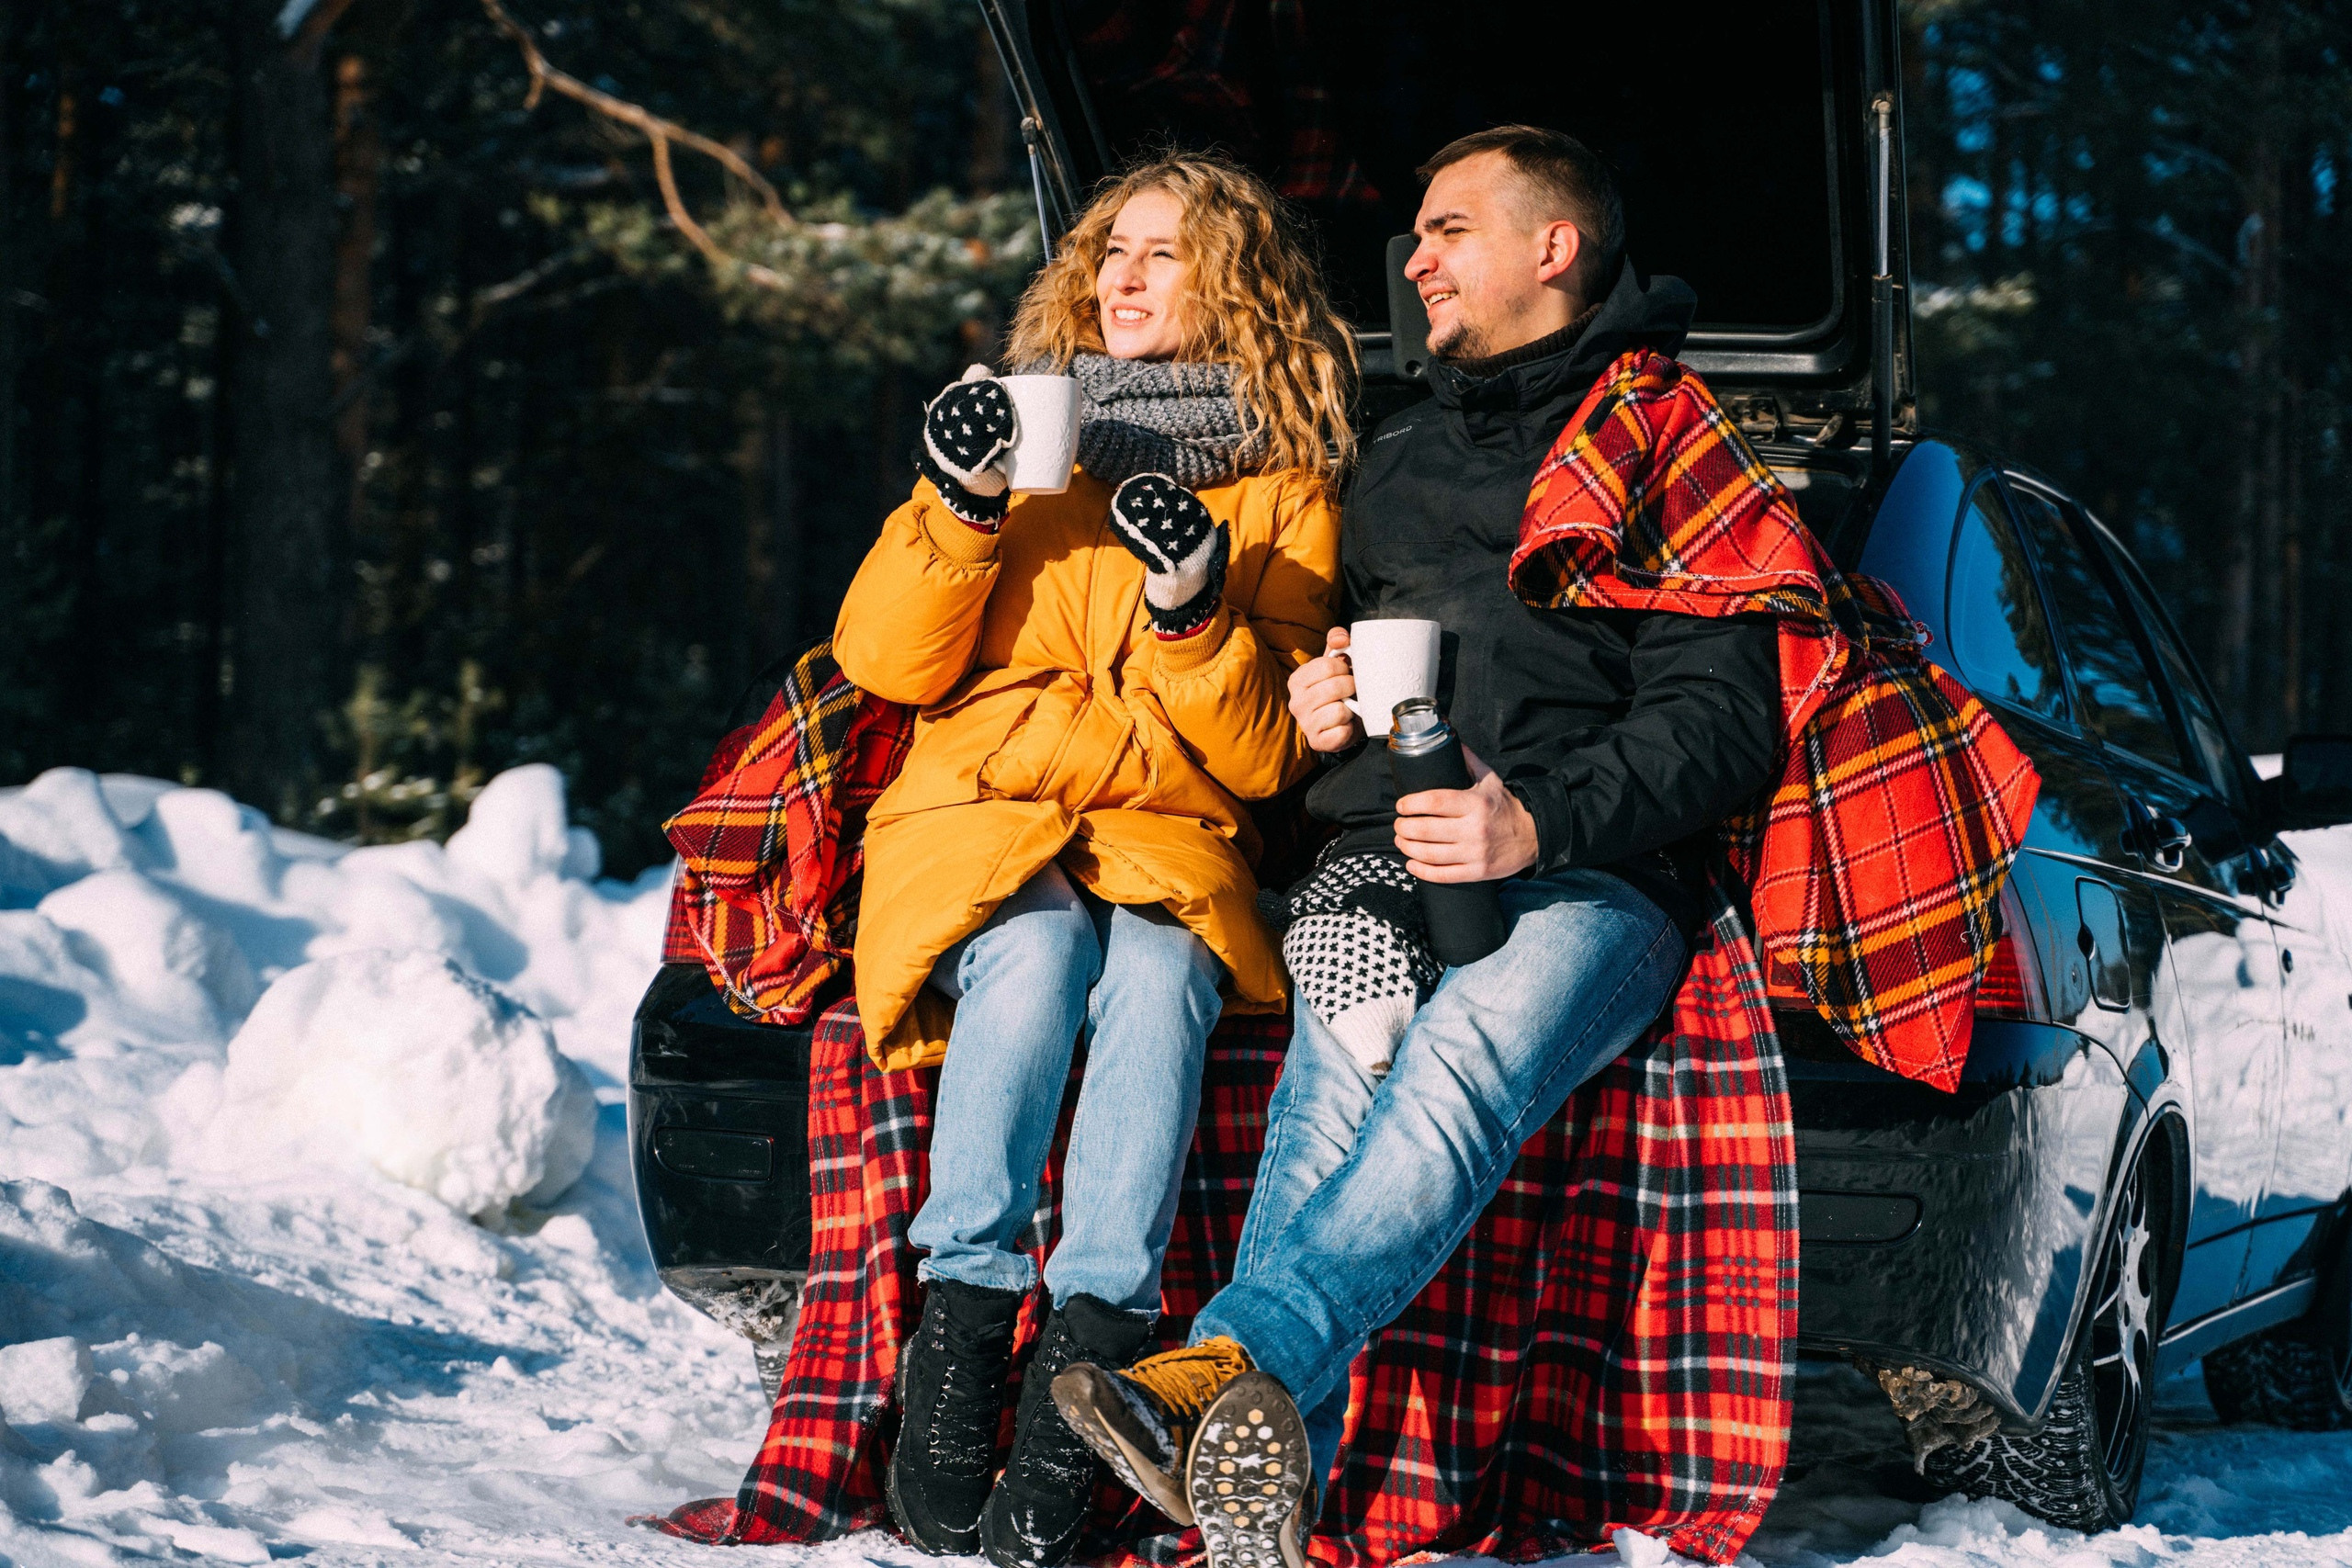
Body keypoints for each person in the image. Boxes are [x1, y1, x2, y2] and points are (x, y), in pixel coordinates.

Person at [1051, 127, 1790, 1568]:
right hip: (1382, 861)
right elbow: (1320, 654)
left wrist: (1541, 819)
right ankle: (1257, 1500)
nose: (1419, 260)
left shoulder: (1672, 443)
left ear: (1552, 250)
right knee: (1334, 1081)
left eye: (1450, 229)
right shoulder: (1390, 457)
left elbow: (1726, 724)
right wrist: (1320, 705)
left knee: (1453, 1063)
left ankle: (1224, 1363)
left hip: (1589, 874)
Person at [830, 152, 1356, 1568]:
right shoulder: (1024, 435)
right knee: (1041, 943)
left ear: (1233, 284)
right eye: (1112, 251)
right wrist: (959, 503)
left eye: (1164, 256)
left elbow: (1264, 758)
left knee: (1167, 971)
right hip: (987, 805)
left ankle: (1093, 1358)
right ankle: (960, 1329)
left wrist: (1193, 612)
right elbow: (883, 660)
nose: (1122, 277)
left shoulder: (1285, 488)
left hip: (1168, 830)